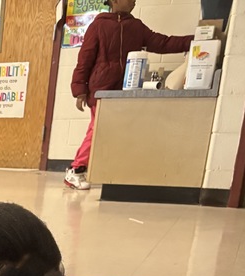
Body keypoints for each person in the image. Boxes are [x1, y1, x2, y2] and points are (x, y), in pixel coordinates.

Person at [65, 0, 192, 190]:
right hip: (101, 89)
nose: (134, 1)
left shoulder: (136, 26)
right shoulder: (98, 26)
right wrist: (79, 90)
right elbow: (85, 58)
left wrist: (195, 39)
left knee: (115, 131)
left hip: (125, 88)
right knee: (97, 130)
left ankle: (105, 171)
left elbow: (163, 43)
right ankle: (75, 170)